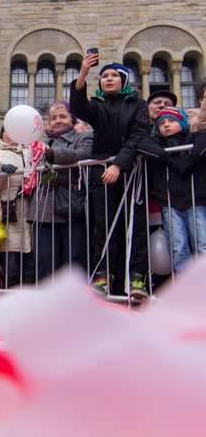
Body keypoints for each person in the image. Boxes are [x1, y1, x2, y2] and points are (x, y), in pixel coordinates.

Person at [70, 55, 151, 299]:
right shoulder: (98, 105)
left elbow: (139, 136)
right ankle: (103, 276)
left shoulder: (138, 105)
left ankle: (138, 278)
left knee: (134, 227)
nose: (108, 79)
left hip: (130, 174)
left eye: (114, 75)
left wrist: (118, 164)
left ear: (124, 79)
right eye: (104, 76)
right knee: (103, 229)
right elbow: (79, 107)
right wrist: (83, 73)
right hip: (102, 176)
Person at [26, 101, 93, 282]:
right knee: (43, 257)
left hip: (70, 204)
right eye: (53, 118)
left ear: (71, 118)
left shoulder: (83, 137)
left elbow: (83, 155)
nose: (58, 121)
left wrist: (53, 155)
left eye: (63, 116)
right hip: (43, 207)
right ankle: (46, 302)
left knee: (73, 258)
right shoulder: (42, 144)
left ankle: (75, 300)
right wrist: (42, 179)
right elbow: (30, 172)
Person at [138, 107, 206, 272]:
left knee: (202, 244)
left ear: (182, 123)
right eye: (162, 123)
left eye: (172, 121)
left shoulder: (193, 136)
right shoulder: (157, 142)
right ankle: (186, 288)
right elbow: (143, 145)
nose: (166, 125)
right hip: (170, 203)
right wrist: (168, 160)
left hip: (196, 200)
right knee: (178, 246)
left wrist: (190, 162)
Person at [0, 126, 33, 287]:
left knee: (30, 269)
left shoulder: (28, 153)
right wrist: (0, 172)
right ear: (2, 134)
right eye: (7, 131)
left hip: (30, 214)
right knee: (11, 268)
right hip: (7, 216)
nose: (11, 134)